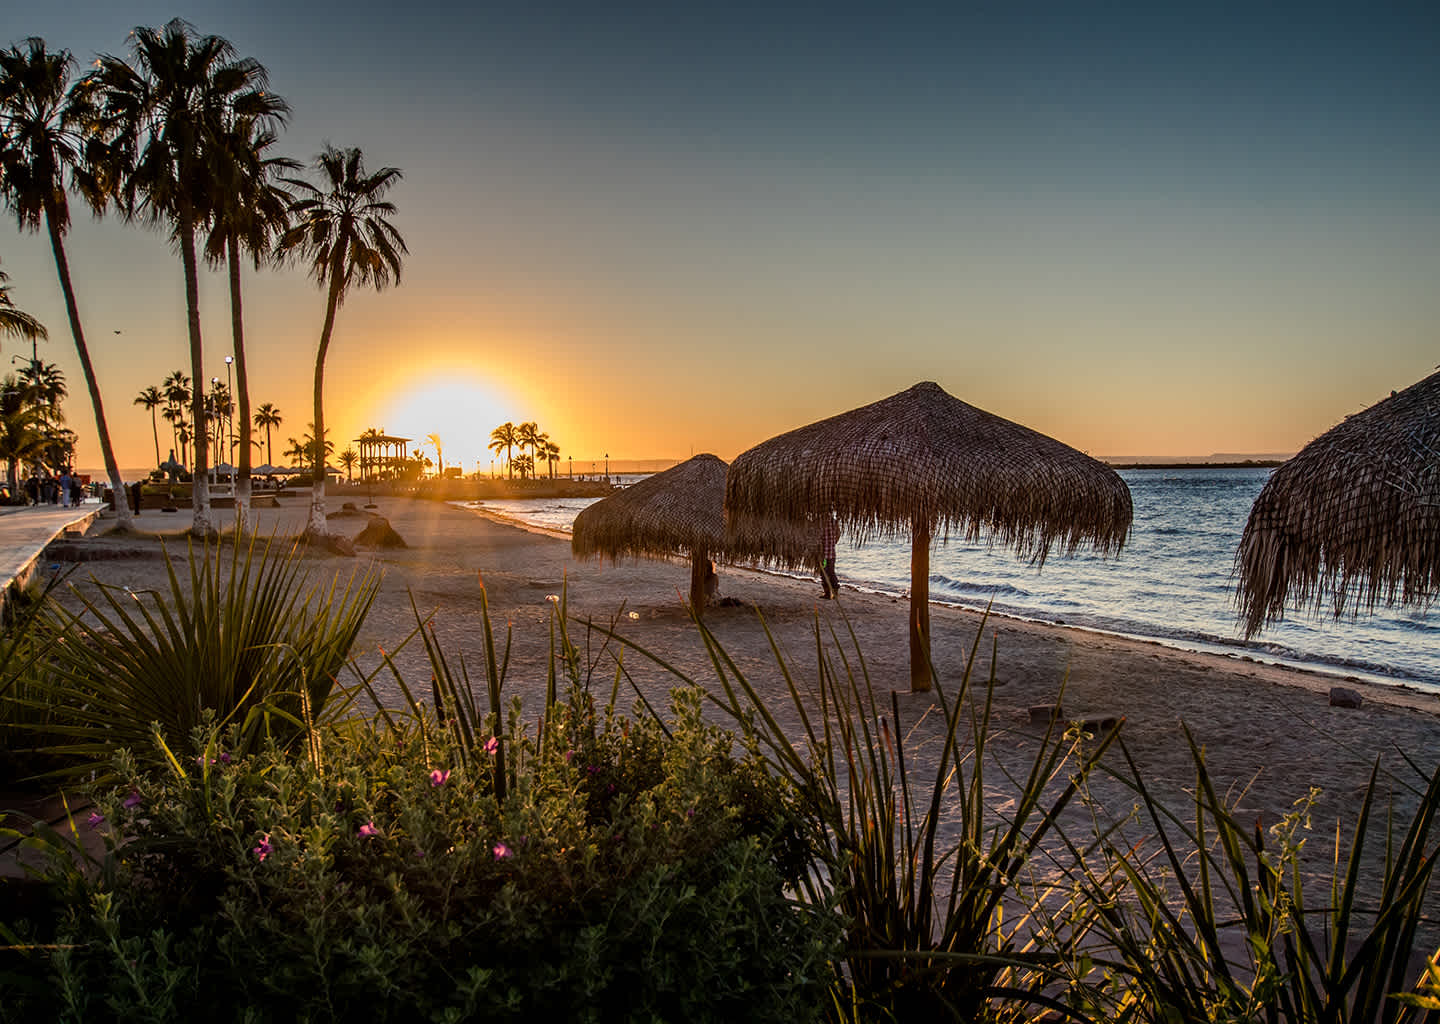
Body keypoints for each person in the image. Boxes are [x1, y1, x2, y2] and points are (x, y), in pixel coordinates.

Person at [817, 513, 840, 599]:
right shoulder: (834, 522)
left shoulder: (819, 522)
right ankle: (835, 593)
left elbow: (816, 537)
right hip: (832, 554)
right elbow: (838, 535)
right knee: (831, 572)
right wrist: (833, 544)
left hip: (823, 555)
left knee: (824, 573)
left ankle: (827, 593)